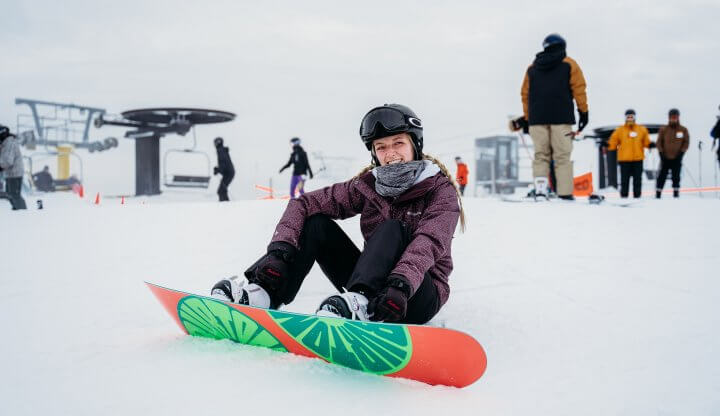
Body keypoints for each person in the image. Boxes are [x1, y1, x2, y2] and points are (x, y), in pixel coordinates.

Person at [211, 104, 465, 324]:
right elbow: (304, 203)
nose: (390, 153)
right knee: (316, 224)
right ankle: (264, 293)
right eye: (381, 147)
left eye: (398, 143)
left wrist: (400, 283)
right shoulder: (366, 186)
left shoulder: (440, 190)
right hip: (373, 285)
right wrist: (280, 252)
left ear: (415, 145)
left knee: (392, 227)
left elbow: (429, 242)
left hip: (415, 294)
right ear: (374, 153)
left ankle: (361, 302)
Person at [519, 33, 589, 200]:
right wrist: (583, 112)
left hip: (537, 119)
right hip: (561, 118)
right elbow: (579, 89)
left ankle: (541, 190)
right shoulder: (569, 64)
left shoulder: (532, 68)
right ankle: (564, 193)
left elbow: (524, 94)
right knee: (562, 156)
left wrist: (528, 119)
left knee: (541, 154)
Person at [607, 109, 652, 198]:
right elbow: (613, 141)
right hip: (624, 159)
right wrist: (607, 145)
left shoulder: (641, 129)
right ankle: (624, 196)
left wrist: (650, 145)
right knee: (624, 179)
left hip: (638, 159)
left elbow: (646, 142)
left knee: (637, 179)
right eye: (628, 117)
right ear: (625, 118)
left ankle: (637, 195)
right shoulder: (620, 130)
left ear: (635, 118)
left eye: (632, 117)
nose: (630, 119)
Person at [656, 109, 690, 198]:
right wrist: (661, 153)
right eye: (672, 117)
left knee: (676, 176)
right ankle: (658, 193)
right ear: (669, 118)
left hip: (677, 158)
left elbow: (686, 142)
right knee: (662, 176)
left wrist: (681, 153)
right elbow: (659, 142)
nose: (673, 119)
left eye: (675, 117)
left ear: (678, 117)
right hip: (665, 158)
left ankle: (676, 192)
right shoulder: (664, 129)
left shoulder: (683, 130)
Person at [0, 125, 27, 210]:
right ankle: (17, 210)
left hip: (14, 173)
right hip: (11, 173)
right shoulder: (6, 143)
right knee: (10, 194)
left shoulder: (9, 143)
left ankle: (22, 211)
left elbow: (7, 161)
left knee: (14, 195)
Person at [213, 137, 235, 202]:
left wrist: (218, 170)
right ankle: (226, 204)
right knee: (222, 190)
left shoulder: (220, 150)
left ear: (218, 143)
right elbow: (224, 163)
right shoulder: (222, 150)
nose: (214, 145)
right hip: (229, 172)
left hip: (228, 173)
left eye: (215, 143)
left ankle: (224, 205)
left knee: (221, 190)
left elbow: (223, 163)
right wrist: (218, 169)